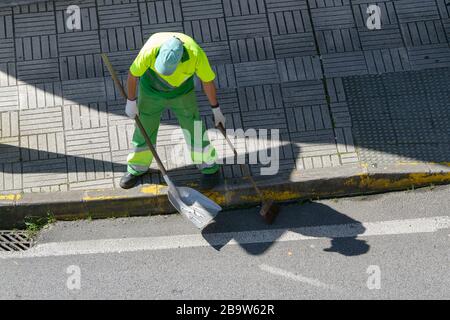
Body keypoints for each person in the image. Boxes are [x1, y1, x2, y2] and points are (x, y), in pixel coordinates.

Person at [120, 32, 226, 189]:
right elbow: (133, 75)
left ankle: (209, 168)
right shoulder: (150, 49)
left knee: (193, 127)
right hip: (151, 92)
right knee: (144, 128)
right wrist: (131, 101)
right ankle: (137, 167)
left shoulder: (195, 53)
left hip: (182, 93)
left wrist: (216, 109)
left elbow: (207, 81)